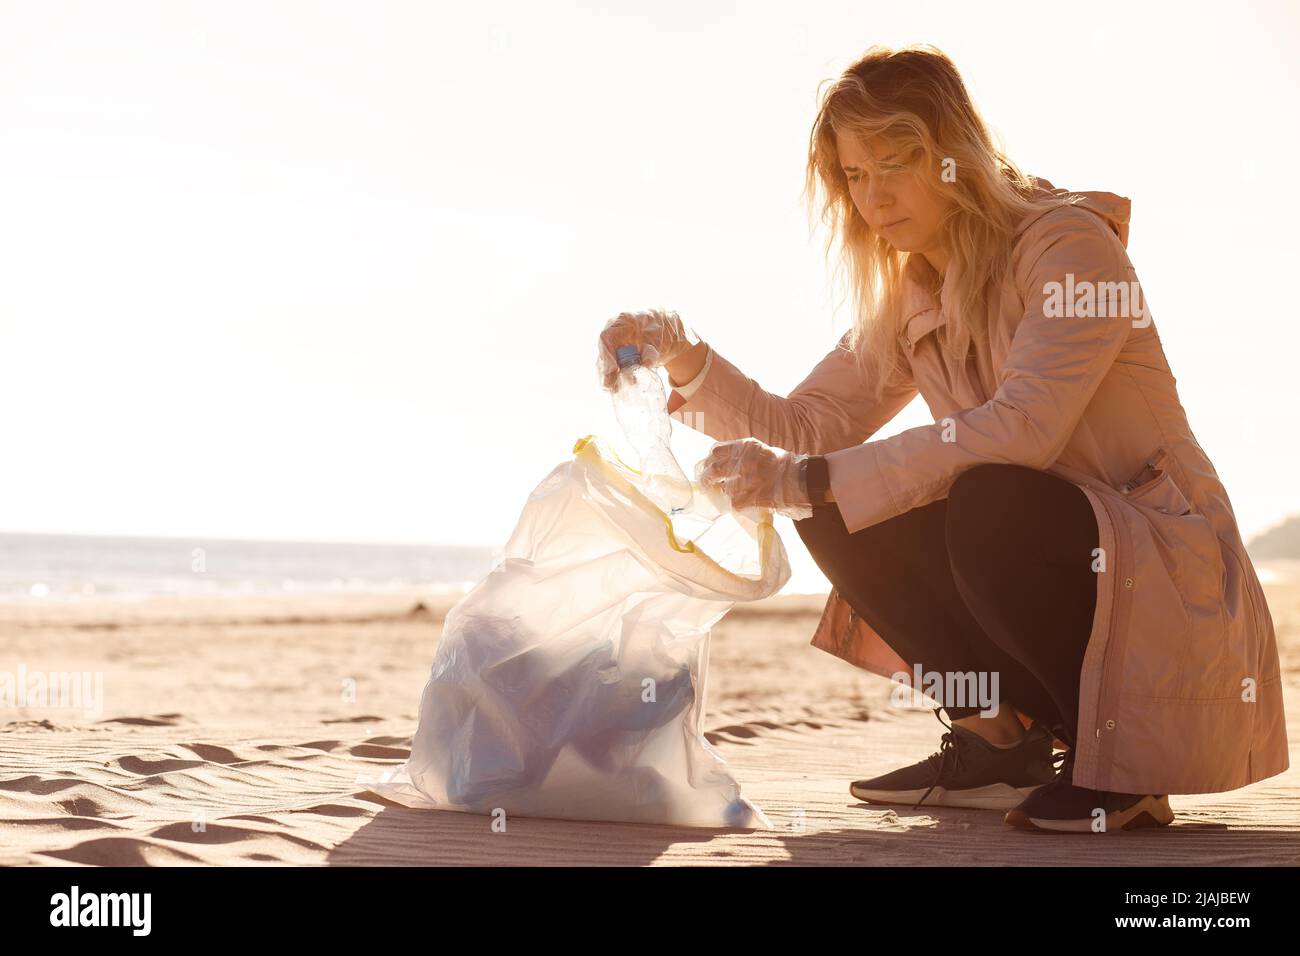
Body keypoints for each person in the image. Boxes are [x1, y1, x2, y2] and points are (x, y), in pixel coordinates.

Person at [596, 43, 1289, 834]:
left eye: (896, 162)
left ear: (954, 152)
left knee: (980, 498)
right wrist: (682, 350)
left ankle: (1128, 771)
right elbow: (808, 427)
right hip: (1061, 565)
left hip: (1167, 585)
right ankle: (996, 740)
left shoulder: (1070, 250)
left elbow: (1023, 429)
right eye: (855, 175)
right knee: (833, 503)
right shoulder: (916, 289)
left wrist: (808, 475)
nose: (874, 197)